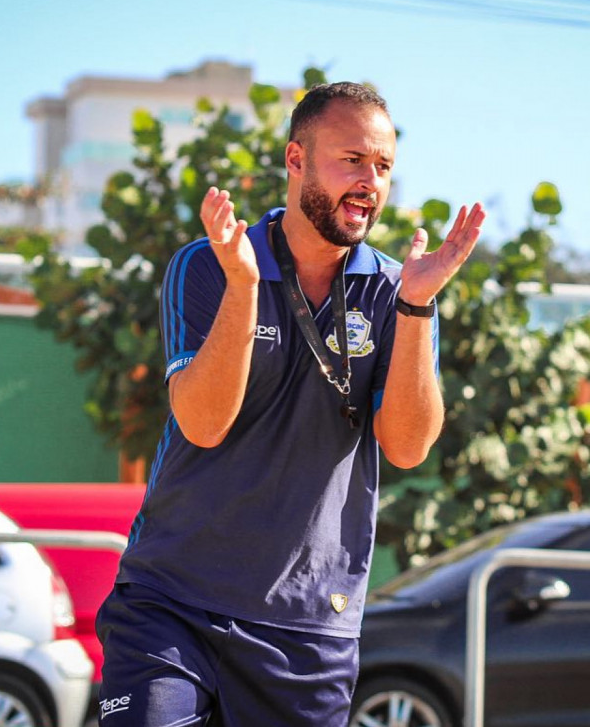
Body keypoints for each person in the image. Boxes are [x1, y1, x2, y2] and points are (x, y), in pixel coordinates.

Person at [95, 82, 485, 727]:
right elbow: (203, 421)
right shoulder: (211, 265)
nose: (369, 182)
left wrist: (418, 305)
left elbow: (409, 446)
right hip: (173, 601)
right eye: (352, 160)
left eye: (383, 166)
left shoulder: (398, 290)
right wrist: (245, 284)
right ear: (296, 159)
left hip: (307, 628)